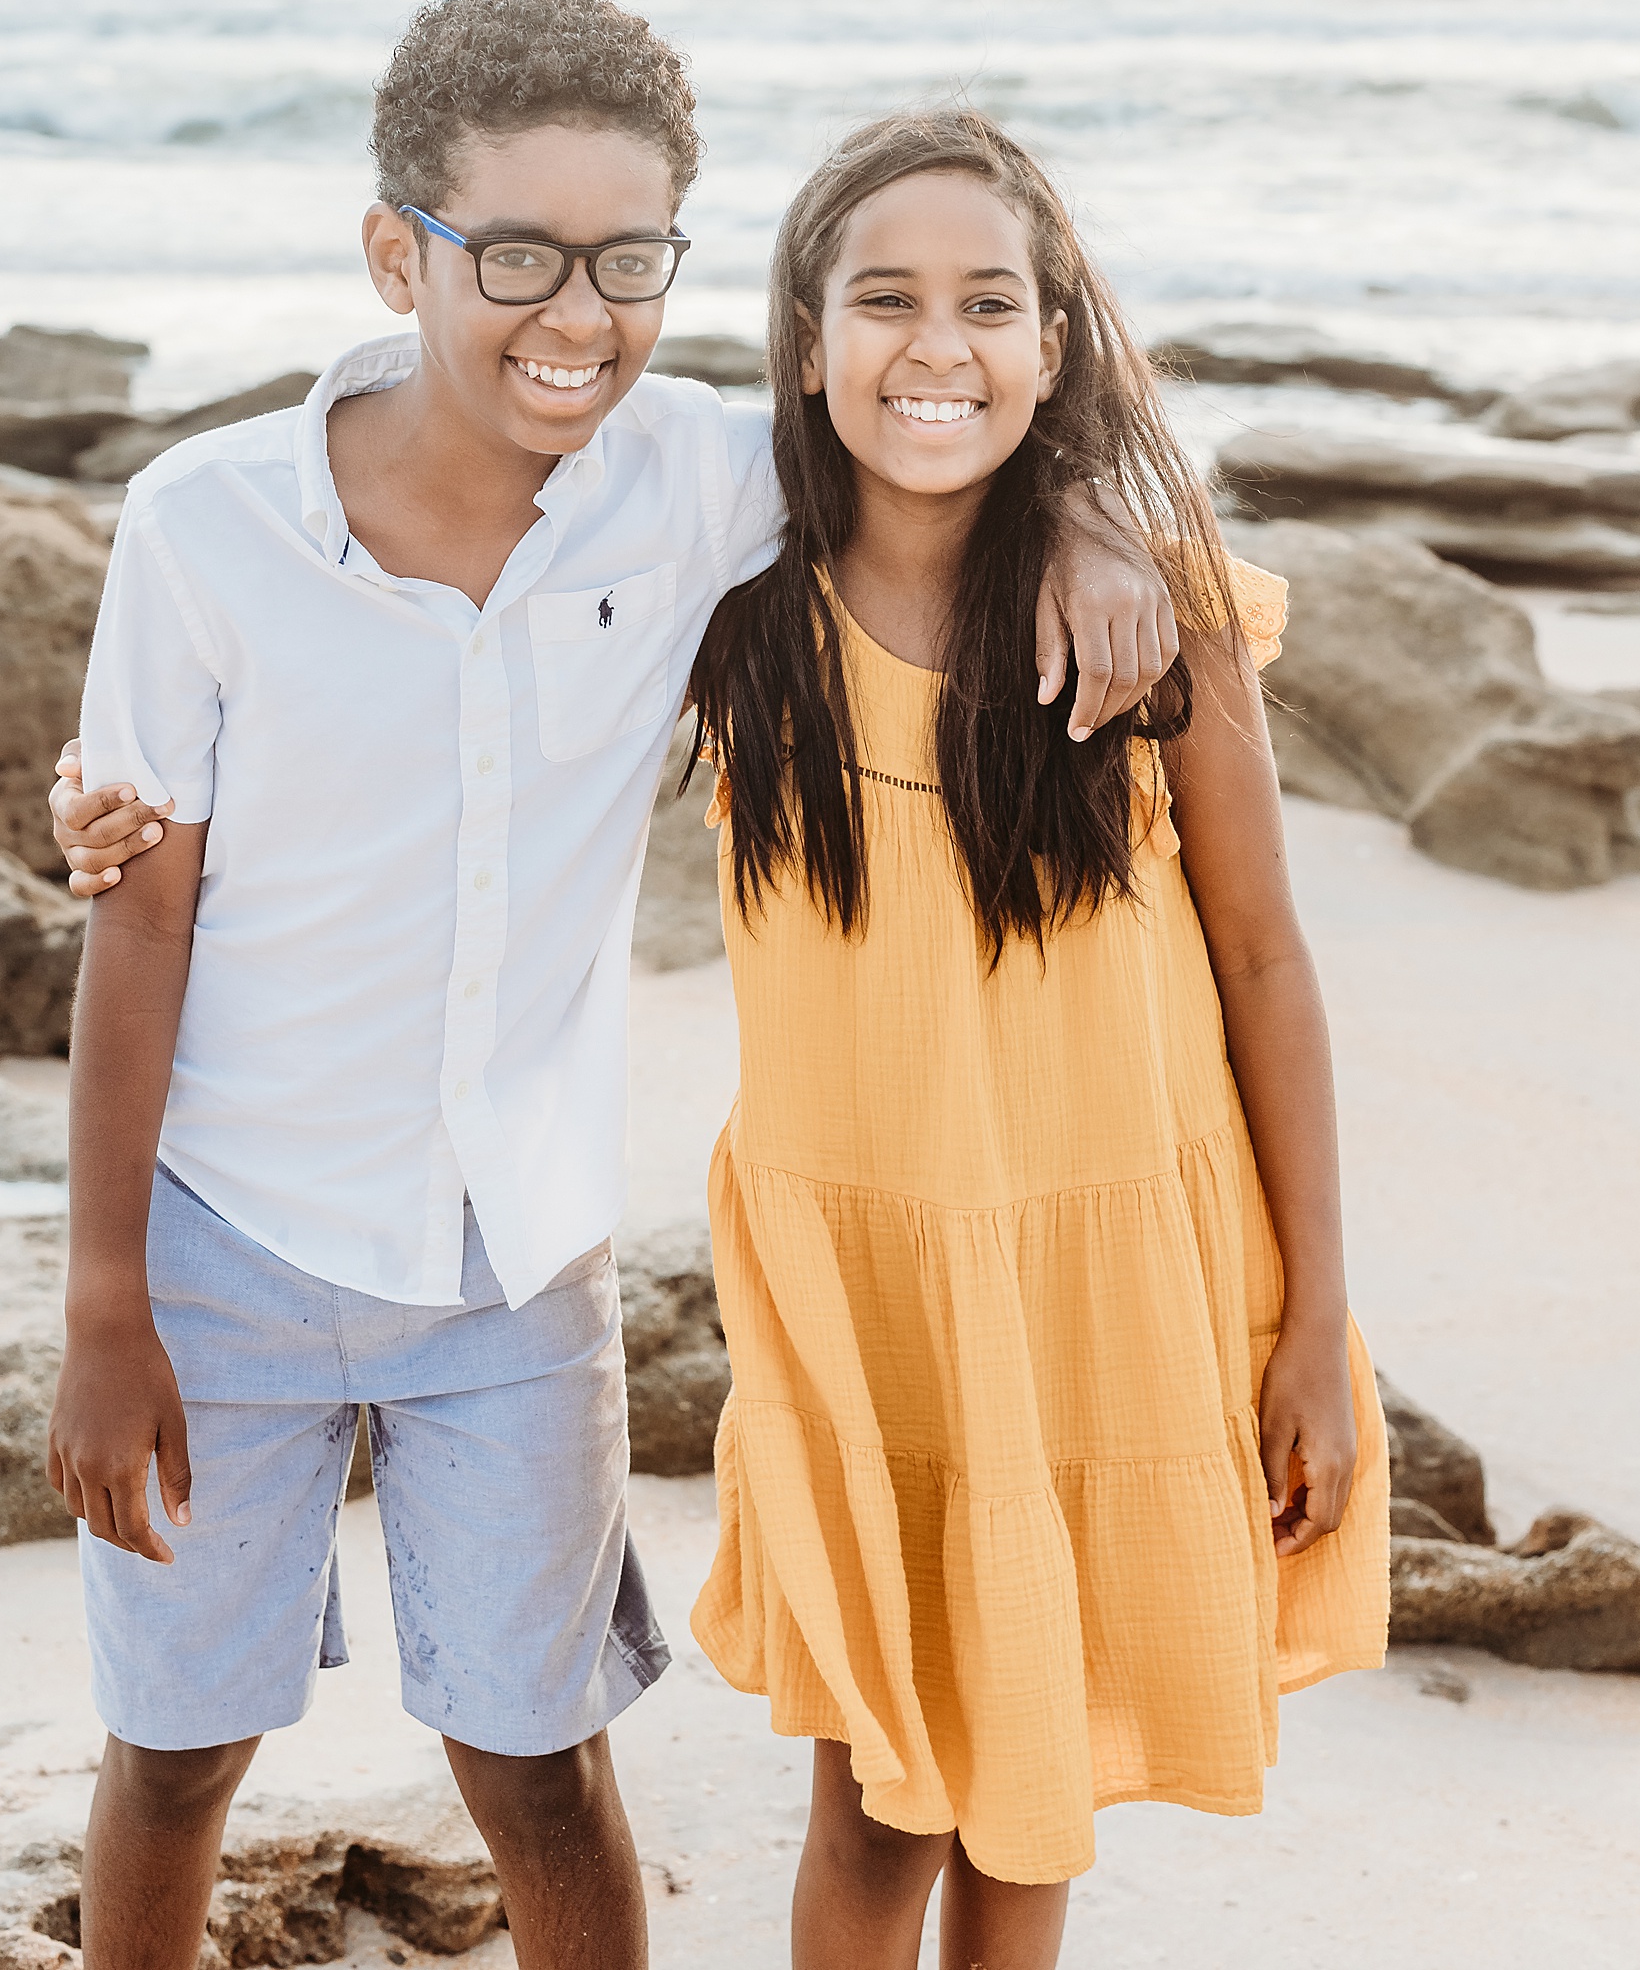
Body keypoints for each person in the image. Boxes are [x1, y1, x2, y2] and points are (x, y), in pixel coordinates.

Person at [47, 0, 1178, 1970]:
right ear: (398, 253)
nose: (577, 314)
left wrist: (1094, 511)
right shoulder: (204, 530)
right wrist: (105, 1306)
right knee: (177, 1754)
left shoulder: (699, 483)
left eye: (628, 258)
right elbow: (140, 914)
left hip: (517, 1269)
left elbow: (933, 424)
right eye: (516, 256)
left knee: (545, 1768)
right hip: (224, 1243)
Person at [681, 111, 1389, 1969]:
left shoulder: (1158, 629)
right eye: (886, 299)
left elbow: (1266, 965)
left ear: (1052, 347)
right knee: (869, 1797)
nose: (940, 346)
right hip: (868, 1296)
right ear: (807, 331)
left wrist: (1315, 1318)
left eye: (990, 303)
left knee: (1038, 1778)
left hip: (1111, 1277)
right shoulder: (728, 619)